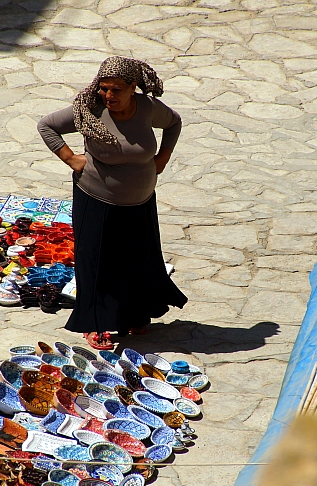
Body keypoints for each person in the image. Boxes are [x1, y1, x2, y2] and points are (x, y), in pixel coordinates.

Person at [37, 56, 188, 351]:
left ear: (133, 87)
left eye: (116, 90)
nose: (108, 96)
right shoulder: (91, 109)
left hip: (140, 200)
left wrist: (163, 158)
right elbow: (47, 126)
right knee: (98, 263)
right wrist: (70, 158)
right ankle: (96, 323)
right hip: (97, 199)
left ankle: (134, 315)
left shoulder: (147, 109)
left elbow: (174, 123)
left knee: (137, 259)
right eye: (104, 88)